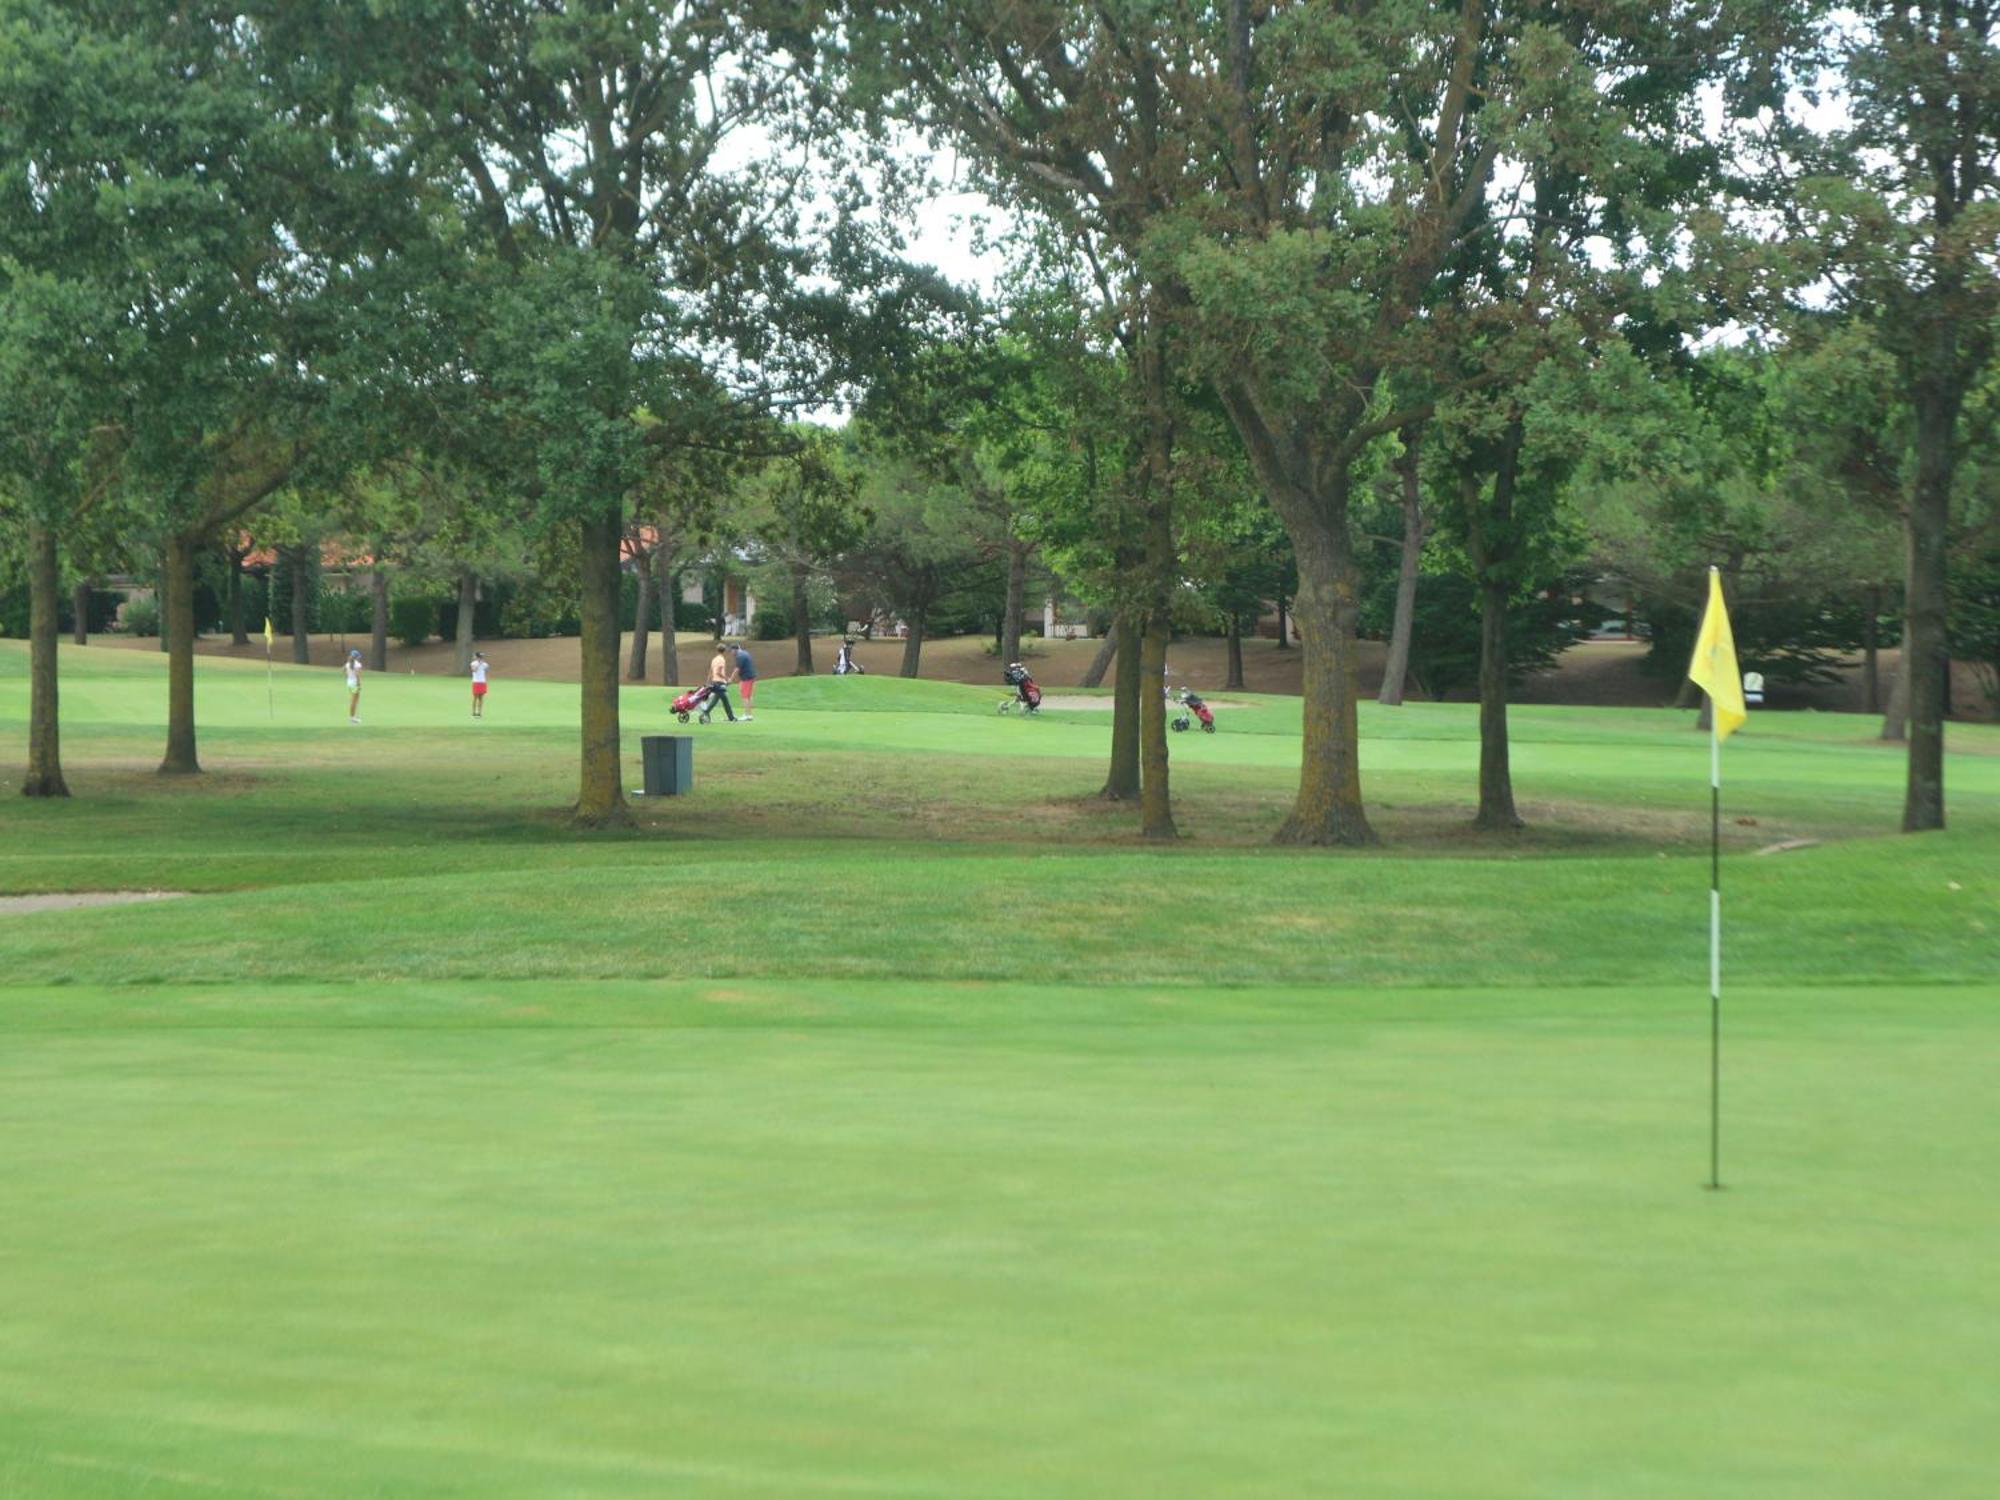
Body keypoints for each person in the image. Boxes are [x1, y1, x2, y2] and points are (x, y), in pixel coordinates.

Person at [704, 643, 737, 722]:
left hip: (714, 681)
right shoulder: (722, 659)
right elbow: (719, 672)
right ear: (724, 651)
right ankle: (731, 717)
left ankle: (730, 717)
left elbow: (711, 672)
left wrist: (707, 682)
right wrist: (727, 679)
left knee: (717, 699)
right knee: (725, 700)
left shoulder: (714, 659)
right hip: (720, 683)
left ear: (717, 650)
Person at [733, 642, 757, 719]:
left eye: (732, 650)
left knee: (745, 696)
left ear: (735, 649)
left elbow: (737, 669)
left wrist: (731, 679)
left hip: (746, 678)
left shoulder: (739, 656)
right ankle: (749, 715)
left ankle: (746, 715)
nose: (731, 652)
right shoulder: (745, 653)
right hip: (751, 676)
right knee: (749, 696)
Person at [469, 652, 490, 718]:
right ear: (478, 657)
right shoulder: (473, 663)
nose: (481, 658)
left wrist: (485, 666)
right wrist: (479, 664)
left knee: (481, 698)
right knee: (475, 698)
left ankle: (479, 712)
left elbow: (486, 671)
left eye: (482, 657)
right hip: (476, 682)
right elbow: (474, 670)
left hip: (482, 682)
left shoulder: (485, 664)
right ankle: (473, 712)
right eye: (480, 657)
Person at [344, 649, 363, 723]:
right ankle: (352, 718)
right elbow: (358, 675)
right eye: (358, 656)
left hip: (349, 683)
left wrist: (348, 677)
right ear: (356, 657)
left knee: (355, 700)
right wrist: (359, 683)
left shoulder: (348, 663)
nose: (359, 658)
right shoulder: (358, 664)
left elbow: (344, 671)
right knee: (353, 701)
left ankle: (355, 716)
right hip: (355, 684)